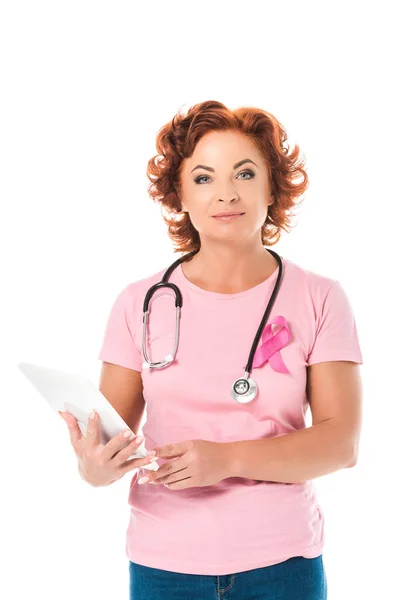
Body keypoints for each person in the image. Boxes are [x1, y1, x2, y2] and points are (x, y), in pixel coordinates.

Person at [61, 100, 363, 599]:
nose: (226, 193)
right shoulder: (138, 303)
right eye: (203, 178)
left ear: (272, 185)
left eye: (244, 173)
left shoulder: (320, 297)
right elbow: (111, 441)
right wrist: (94, 469)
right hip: (164, 567)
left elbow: (342, 445)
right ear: (179, 194)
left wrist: (226, 459)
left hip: (282, 565)